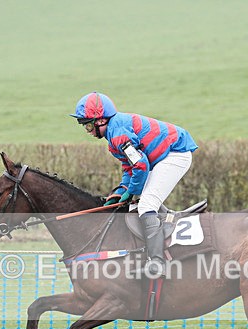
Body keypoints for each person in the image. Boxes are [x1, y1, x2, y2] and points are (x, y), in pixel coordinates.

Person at [71, 92, 198, 277]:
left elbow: (140, 164)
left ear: (100, 121)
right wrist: (122, 190)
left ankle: (157, 262)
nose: (87, 130)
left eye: (88, 124)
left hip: (176, 154)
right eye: (84, 126)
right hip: (164, 156)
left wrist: (131, 192)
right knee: (141, 201)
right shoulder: (113, 135)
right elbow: (129, 167)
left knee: (146, 204)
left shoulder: (118, 135)